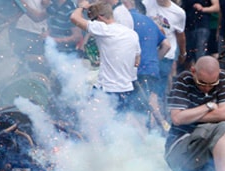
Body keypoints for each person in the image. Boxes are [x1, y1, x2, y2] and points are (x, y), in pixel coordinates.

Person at [71, 1, 141, 114]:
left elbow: (74, 18)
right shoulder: (132, 33)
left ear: (100, 18)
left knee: (91, 121)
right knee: (118, 126)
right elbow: (137, 60)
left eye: (93, 20)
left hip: (106, 90)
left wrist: (82, 7)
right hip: (127, 90)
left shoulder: (103, 29)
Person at [123, 0, 172, 132]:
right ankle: (162, 131)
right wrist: (154, 60)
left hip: (135, 70)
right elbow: (167, 45)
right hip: (152, 69)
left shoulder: (125, 21)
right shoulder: (150, 21)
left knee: (137, 110)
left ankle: (149, 136)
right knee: (152, 104)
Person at [143, 0, 187, 119]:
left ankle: (160, 120)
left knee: (158, 89)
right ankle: (146, 118)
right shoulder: (146, 3)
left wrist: (183, 53)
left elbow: (180, 35)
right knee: (145, 87)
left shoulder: (178, 13)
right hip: (148, 53)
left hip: (166, 54)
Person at [9, 0, 48, 72]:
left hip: (39, 33)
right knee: (18, 62)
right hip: (23, 29)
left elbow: (47, 6)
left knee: (35, 66)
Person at [181, 0, 219, 68]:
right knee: (187, 54)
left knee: (200, 52)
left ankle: (201, 72)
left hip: (202, 25)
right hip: (186, 26)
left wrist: (203, 9)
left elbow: (217, 7)